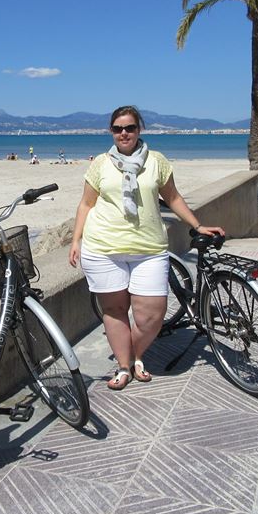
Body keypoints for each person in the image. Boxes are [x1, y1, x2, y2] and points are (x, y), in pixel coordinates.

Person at [69, 105, 225, 391]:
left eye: (129, 127)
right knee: (115, 310)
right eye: (118, 129)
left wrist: (197, 225)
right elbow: (86, 204)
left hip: (149, 248)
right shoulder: (101, 163)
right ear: (111, 132)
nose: (124, 133)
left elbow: (173, 197)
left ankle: (137, 354)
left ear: (139, 130)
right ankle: (125, 364)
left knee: (151, 315)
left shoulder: (156, 161)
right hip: (103, 247)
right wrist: (76, 239)